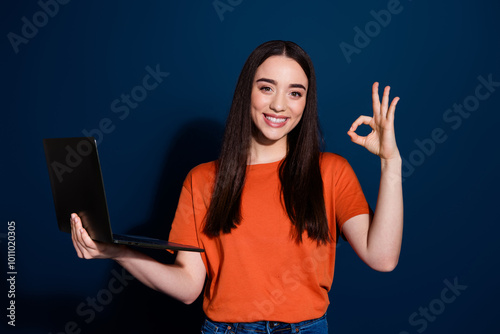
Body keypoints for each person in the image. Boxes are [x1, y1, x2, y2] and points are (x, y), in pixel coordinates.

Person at [70, 40, 403, 333]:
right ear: (247, 91)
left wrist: (391, 163)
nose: (279, 105)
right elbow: (188, 286)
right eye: (266, 87)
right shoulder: (202, 180)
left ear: (306, 102)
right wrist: (115, 251)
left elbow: (382, 258)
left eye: (295, 93)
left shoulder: (331, 171)